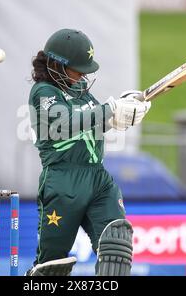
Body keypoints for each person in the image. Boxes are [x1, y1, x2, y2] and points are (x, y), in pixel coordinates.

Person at [26, 29, 152, 276]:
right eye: (77, 69)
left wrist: (119, 116)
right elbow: (64, 123)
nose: (83, 74)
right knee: (51, 269)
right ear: (56, 65)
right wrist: (110, 109)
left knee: (117, 244)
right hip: (63, 182)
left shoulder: (79, 87)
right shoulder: (43, 91)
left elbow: (92, 121)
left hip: (98, 178)